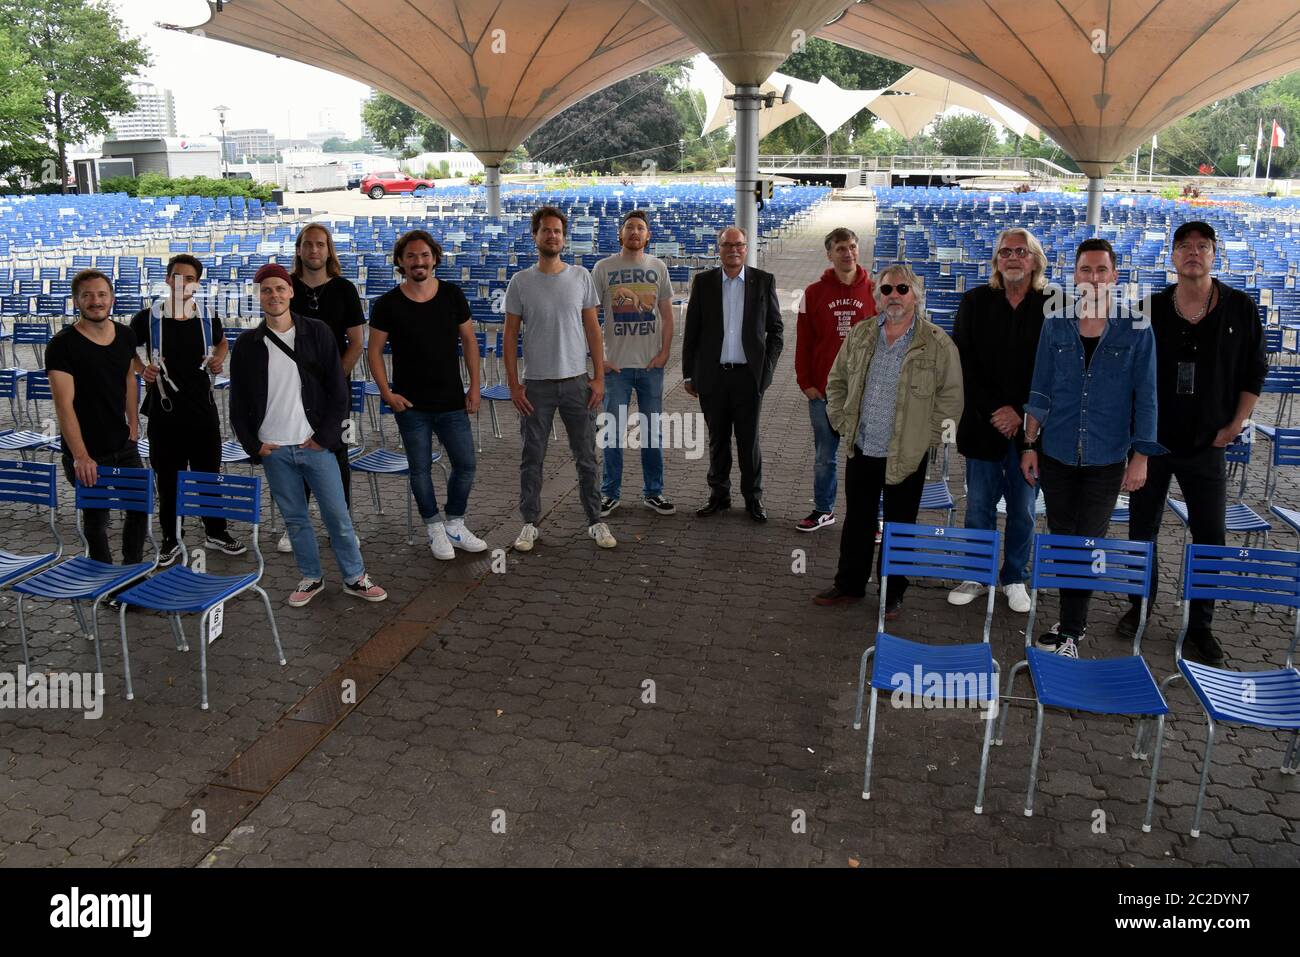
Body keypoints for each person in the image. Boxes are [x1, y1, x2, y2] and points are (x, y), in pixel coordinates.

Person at [1122, 221, 1267, 665]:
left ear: (1213, 255)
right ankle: (1138, 607)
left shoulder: (1240, 308)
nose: (1193, 253)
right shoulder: (1149, 309)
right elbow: (1130, 377)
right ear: (1172, 256)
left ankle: (1201, 625)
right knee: (1141, 530)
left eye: (1202, 247)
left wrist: (1236, 424)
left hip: (1209, 443)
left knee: (1210, 535)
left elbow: (1254, 373)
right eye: (1184, 246)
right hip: (1155, 442)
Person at [1021, 238, 1164, 658]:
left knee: (1088, 539)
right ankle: (1071, 621)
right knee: (1063, 535)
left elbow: (1148, 396)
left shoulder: (1137, 326)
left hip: (1106, 457)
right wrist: (1029, 445)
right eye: (1086, 270)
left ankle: (1070, 630)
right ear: (1075, 274)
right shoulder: (1055, 323)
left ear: (1114, 276)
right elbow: (1040, 388)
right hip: (1057, 451)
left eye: (1102, 270)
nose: (1094, 278)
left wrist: (1141, 456)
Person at [229, 263, 387, 606]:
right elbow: (238, 401)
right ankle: (311, 577)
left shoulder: (316, 332)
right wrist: (254, 446)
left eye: (279, 288)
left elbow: (337, 389)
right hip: (275, 448)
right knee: (296, 519)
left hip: (314, 444)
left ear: (291, 292)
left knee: (338, 517)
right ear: (259, 296)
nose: (274, 295)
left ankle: (354, 577)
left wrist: (326, 437)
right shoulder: (246, 344)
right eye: (266, 290)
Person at [814, 265, 963, 613]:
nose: (894, 296)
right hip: (862, 446)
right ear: (877, 297)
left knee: (901, 525)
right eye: (886, 290)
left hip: (907, 453)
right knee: (858, 521)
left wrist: (924, 440)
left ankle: (892, 593)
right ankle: (849, 584)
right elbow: (835, 382)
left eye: (902, 289)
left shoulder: (937, 343)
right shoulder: (861, 334)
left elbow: (951, 400)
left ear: (915, 295)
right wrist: (840, 420)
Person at [947, 227, 1049, 614]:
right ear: (995, 261)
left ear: (1034, 260)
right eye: (1005, 251)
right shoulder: (975, 301)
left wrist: (1022, 413)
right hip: (984, 423)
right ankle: (977, 572)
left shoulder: (1052, 304)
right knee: (978, 506)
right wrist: (1000, 411)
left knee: (1023, 509)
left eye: (1021, 251)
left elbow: (1052, 368)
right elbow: (965, 362)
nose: (1012, 257)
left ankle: (1014, 576)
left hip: (1031, 429)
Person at [368, 230, 486, 560]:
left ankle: (455, 523)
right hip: (411, 405)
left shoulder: (451, 295)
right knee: (419, 469)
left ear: (434, 258)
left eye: (424, 255)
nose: (418, 261)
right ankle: (434, 527)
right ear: (401, 262)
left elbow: (470, 342)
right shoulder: (387, 304)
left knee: (466, 464)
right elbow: (374, 352)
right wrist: (387, 393)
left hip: (451, 401)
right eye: (411, 256)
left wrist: (474, 386)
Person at [504, 205, 615, 551]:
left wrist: (598, 378)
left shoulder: (580, 277)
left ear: (564, 239)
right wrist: (513, 384)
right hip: (536, 385)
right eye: (545, 230)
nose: (552, 236)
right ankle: (529, 523)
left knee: (585, 456)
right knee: (531, 457)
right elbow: (509, 336)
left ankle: (595, 521)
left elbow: (593, 329)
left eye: (557, 231)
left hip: (576, 383)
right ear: (535, 236)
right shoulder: (520, 282)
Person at [130, 254, 245, 565]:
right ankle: (171, 536)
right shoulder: (148, 318)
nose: (183, 283)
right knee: (168, 478)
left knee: (209, 473)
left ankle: (216, 531)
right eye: (177, 276)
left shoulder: (207, 317)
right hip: (164, 411)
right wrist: (142, 370)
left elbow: (222, 343)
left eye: (190, 278)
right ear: (168, 280)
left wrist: (220, 358)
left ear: (197, 284)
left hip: (202, 410)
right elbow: (126, 350)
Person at [681, 225, 784, 521]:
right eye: (727, 245)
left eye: (739, 245)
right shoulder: (703, 282)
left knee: (748, 441)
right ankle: (719, 495)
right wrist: (689, 374)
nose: (733, 250)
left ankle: (753, 498)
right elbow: (693, 332)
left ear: (746, 248)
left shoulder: (763, 281)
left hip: (748, 378)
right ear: (719, 249)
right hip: (713, 377)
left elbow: (776, 331)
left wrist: (766, 371)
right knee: (717, 439)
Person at [46, 270, 145, 565]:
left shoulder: (126, 335)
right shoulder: (62, 345)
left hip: (122, 442)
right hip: (86, 450)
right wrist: (80, 456)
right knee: (96, 520)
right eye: (87, 295)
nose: (95, 301)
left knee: (139, 507)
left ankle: (132, 571)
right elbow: (64, 404)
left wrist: (134, 423)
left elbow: (129, 378)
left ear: (112, 298)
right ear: (76, 301)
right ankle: (104, 577)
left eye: (102, 294)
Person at [280, 222, 366, 552]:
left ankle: (340, 525)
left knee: (336, 457)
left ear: (328, 250)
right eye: (308, 244)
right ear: (299, 250)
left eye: (320, 244)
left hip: (335, 393)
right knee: (294, 455)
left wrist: (333, 383)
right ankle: (296, 526)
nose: (314, 250)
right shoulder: (286, 287)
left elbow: (356, 342)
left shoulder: (344, 289)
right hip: (292, 390)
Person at [590, 209, 676, 517]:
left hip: (651, 367)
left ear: (648, 235)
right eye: (630, 228)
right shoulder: (604, 268)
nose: (635, 232)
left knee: (653, 432)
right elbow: (589, 315)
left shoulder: (658, 267)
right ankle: (609, 493)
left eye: (641, 228)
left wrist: (664, 353)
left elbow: (667, 315)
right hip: (616, 368)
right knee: (613, 433)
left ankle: (654, 492)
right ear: (621, 234)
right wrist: (599, 358)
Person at [794, 226, 876, 532]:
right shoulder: (813, 293)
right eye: (841, 248)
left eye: (852, 247)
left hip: (864, 390)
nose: (848, 253)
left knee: (868, 459)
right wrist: (806, 382)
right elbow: (804, 341)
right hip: (825, 391)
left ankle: (869, 516)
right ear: (830, 254)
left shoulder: (875, 290)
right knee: (824, 457)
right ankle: (824, 510)